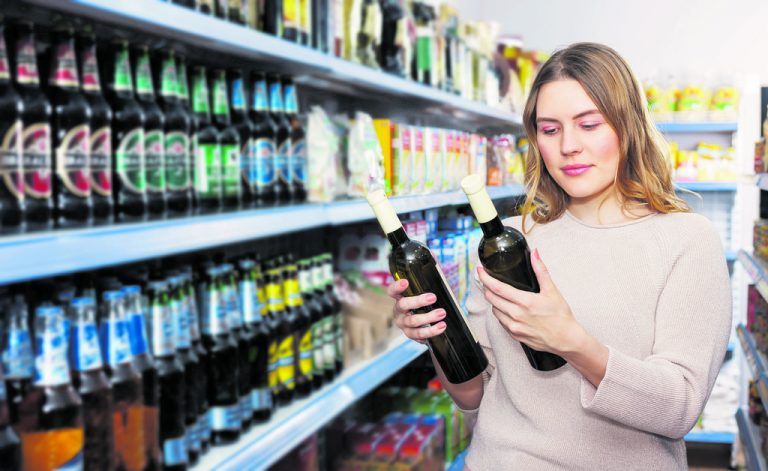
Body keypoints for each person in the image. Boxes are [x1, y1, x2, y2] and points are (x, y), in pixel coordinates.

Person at [387, 42, 732, 470]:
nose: (569, 146)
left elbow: (678, 408)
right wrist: (438, 336)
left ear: (628, 127)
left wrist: (571, 341)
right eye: (549, 130)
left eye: (589, 125)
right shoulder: (511, 240)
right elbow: (474, 397)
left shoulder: (685, 240)